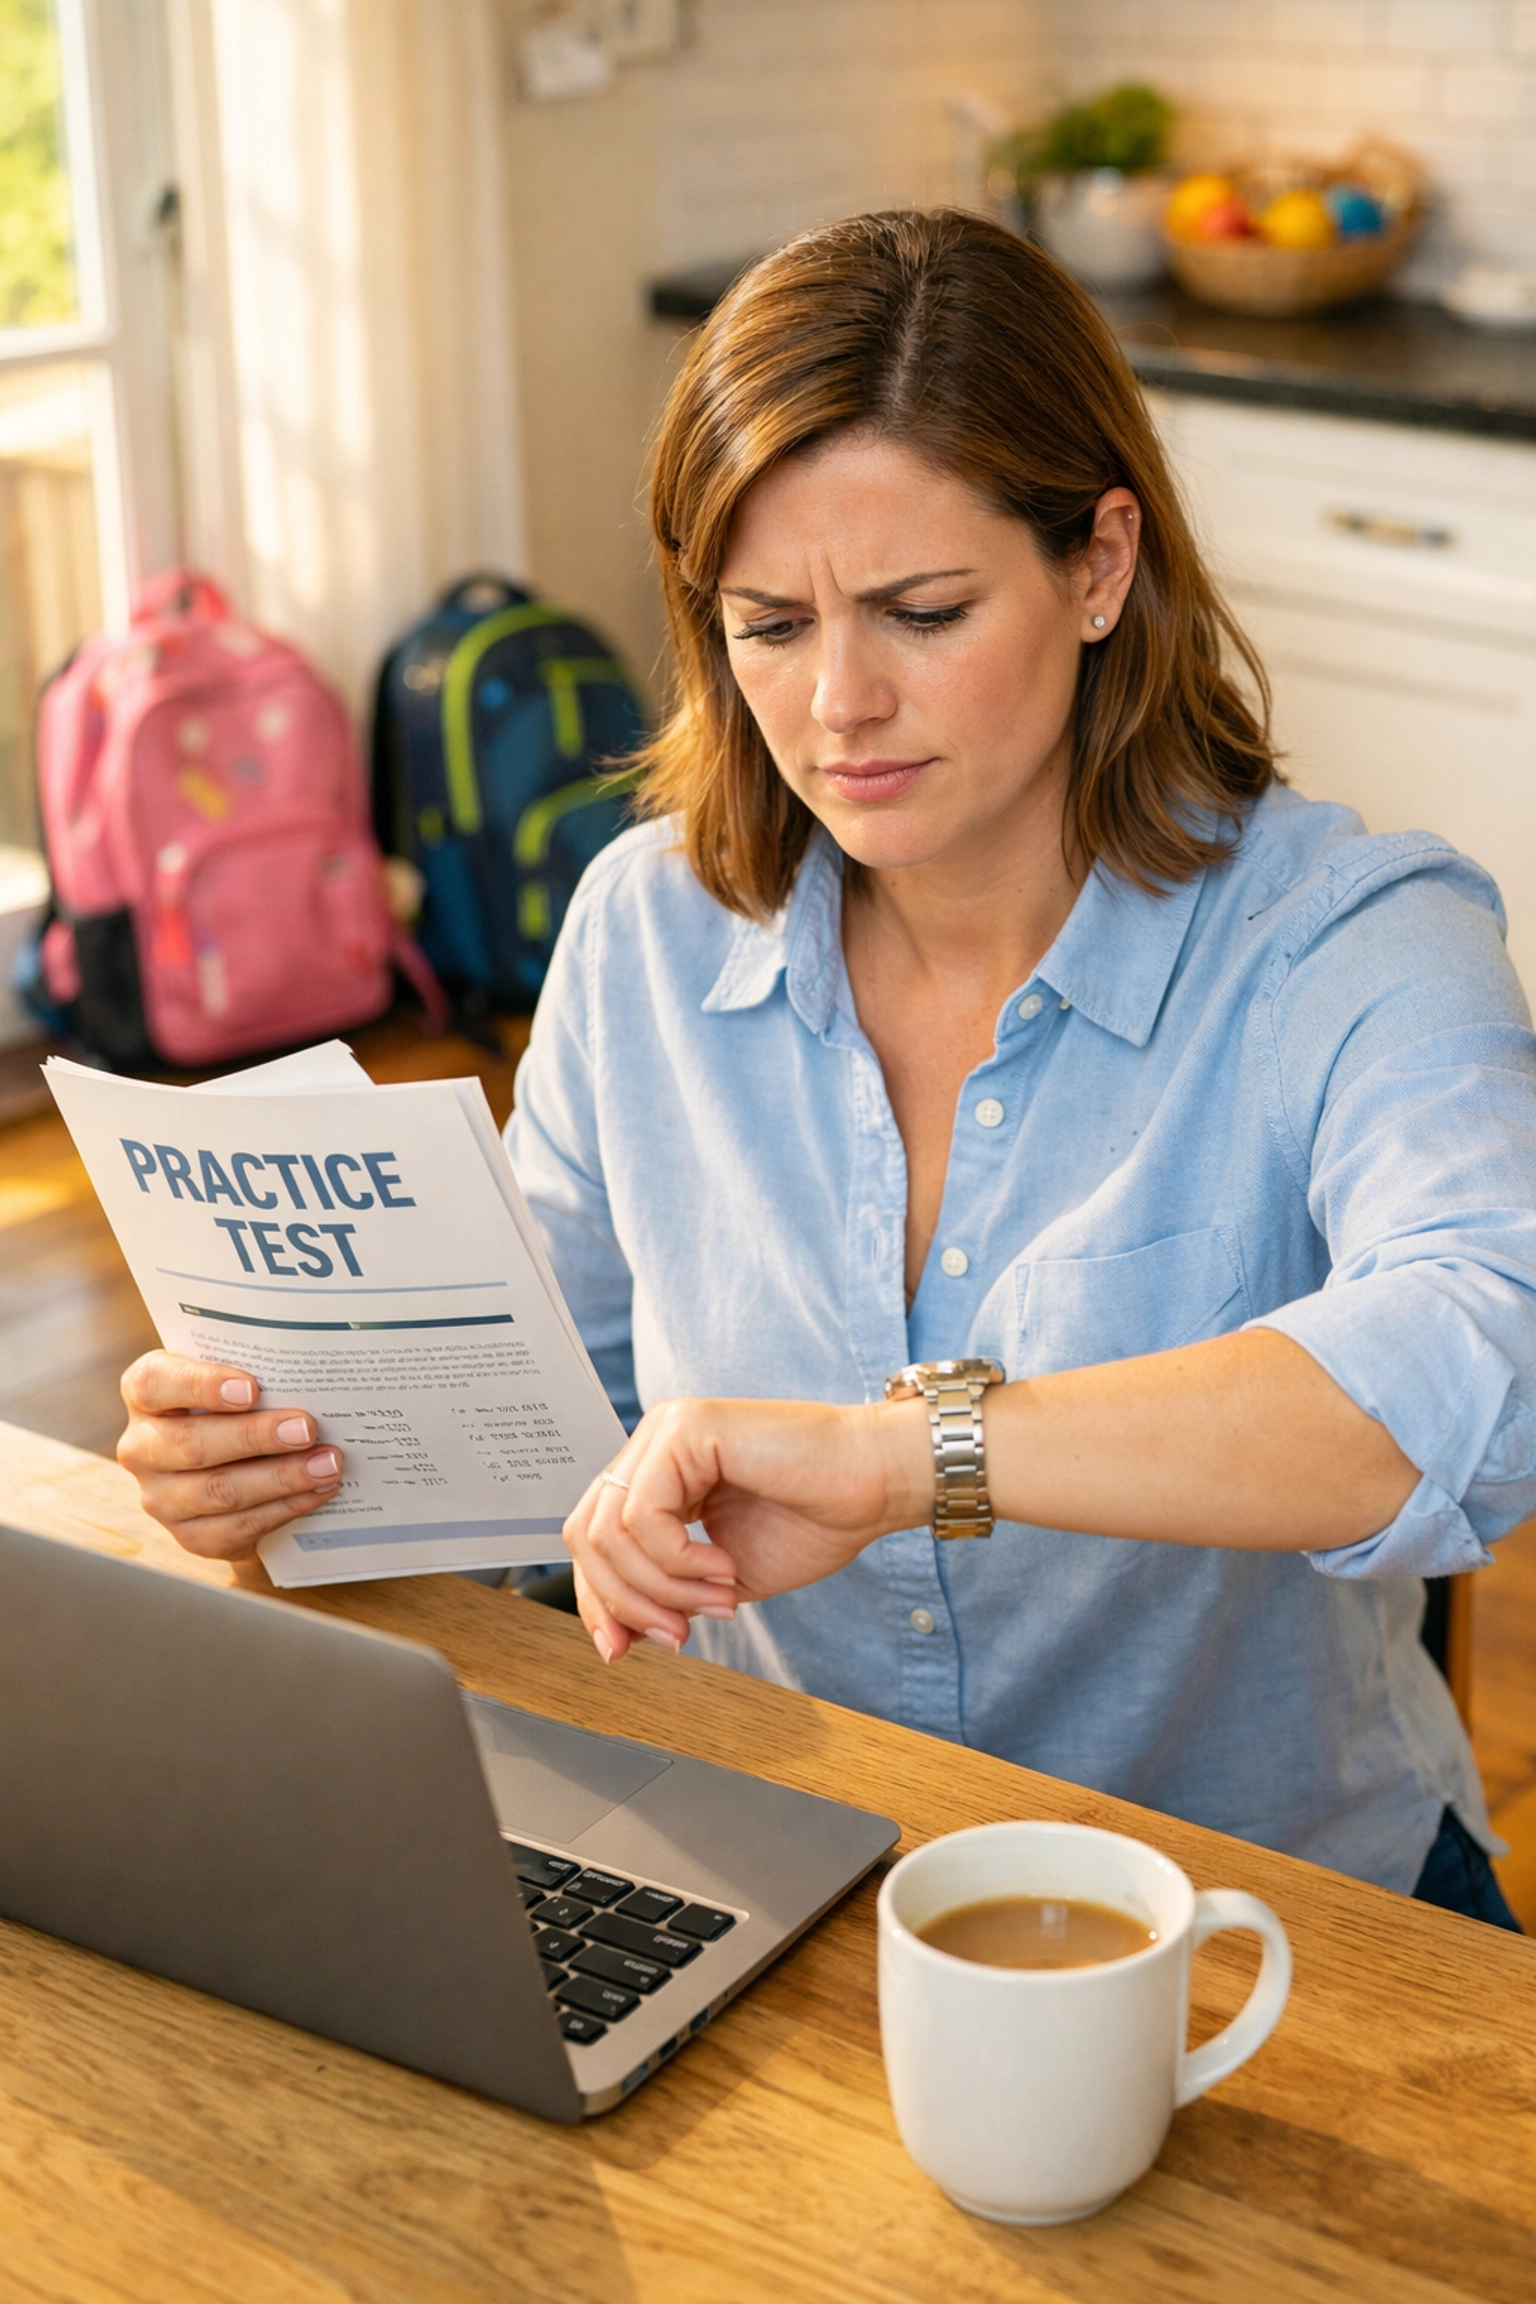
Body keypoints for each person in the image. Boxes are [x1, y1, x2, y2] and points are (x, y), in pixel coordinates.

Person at [118, 210, 1536, 1927]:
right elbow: (540, 1443)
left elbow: (1492, 1358)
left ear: (1100, 567)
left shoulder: (1354, 936)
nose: (841, 702)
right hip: (789, 1879)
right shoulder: (645, 929)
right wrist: (297, 1477)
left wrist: (904, 1457)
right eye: (769, 624)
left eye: (922, 611)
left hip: (1275, 1920)